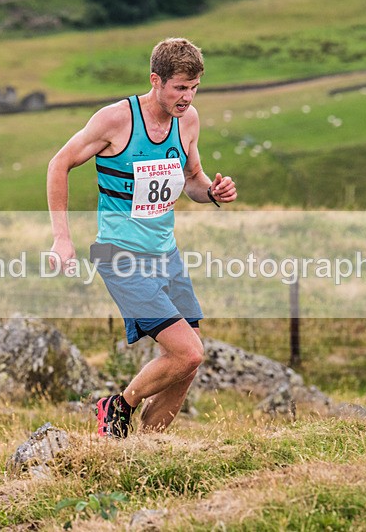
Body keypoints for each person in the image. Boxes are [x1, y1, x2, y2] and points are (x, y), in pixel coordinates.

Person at [46, 37, 237, 438]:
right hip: (121, 255)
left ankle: (143, 448)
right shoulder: (116, 120)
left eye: (195, 87)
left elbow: (192, 180)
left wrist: (213, 193)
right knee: (189, 352)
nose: (188, 97)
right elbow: (59, 163)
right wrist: (62, 239)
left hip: (166, 255)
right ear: (156, 80)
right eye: (180, 87)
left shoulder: (188, 121)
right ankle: (117, 406)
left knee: (186, 362)